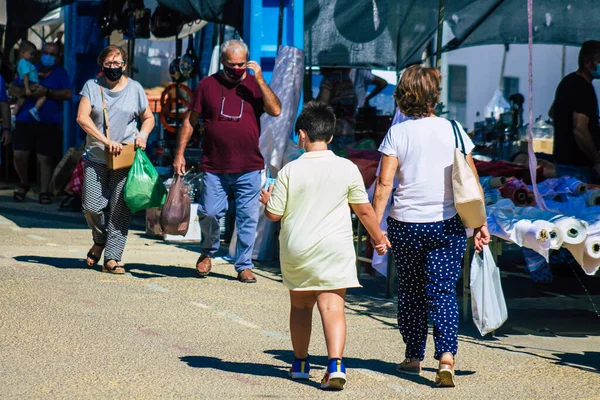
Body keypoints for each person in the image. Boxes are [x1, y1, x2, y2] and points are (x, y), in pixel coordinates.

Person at [372, 65, 490, 388]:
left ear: (403, 95)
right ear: (433, 95)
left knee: (410, 290)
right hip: (446, 226)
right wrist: (480, 223)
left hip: (405, 225)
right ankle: (447, 358)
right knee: (442, 291)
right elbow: (470, 179)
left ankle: (413, 357)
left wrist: (374, 227)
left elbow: (384, 184)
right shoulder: (453, 130)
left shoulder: (397, 133)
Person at [259, 101, 390, 391]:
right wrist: (379, 238)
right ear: (330, 136)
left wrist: (267, 201)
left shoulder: (289, 171)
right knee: (332, 307)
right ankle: (336, 366)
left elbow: (274, 215)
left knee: (301, 307)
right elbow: (364, 211)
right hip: (335, 248)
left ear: (301, 135)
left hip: (298, 250)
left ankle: (300, 364)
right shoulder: (348, 168)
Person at [173, 39, 281, 283]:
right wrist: (179, 154)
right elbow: (190, 121)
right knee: (209, 213)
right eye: (231, 65)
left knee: (247, 218)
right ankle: (207, 252)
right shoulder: (207, 85)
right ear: (222, 62)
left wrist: (260, 79)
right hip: (214, 166)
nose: (236, 69)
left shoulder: (255, 85)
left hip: (249, 166)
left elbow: (275, 110)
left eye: (241, 64)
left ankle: (244, 265)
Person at [76, 45, 155, 274]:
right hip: (97, 156)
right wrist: (104, 140)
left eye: (117, 63)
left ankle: (112, 258)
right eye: (109, 64)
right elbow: (82, 118)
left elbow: (148, 117)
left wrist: (143, 135)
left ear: (124, 65)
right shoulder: (92, 86)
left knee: (120, 208)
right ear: (102, 65)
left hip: (125, 157)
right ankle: (100, 239)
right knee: (91, 207)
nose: (113, 67)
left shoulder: (135, 89)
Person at [9, 42, 71, 204]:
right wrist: (26, 92)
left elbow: (68, 93)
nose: (48, 56)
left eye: (52, 54)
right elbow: (12, 88)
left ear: (58, 57)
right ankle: (24, 183)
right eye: (46, 52)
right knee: (19, 155)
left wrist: (48, 92)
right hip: (25, 119)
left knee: (45, 159)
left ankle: (44, 191)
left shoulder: (61, 73)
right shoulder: (29, 66)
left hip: (49, 122)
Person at [551, 40, 600, 183]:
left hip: (562, 162)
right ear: (588, 62)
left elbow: (553, 112)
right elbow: (580, 130)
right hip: (578, 167)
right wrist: (597, 160)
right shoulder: (583, 87)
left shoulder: (567, 81)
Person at [317, 67, 357, 153]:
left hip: (336, 129)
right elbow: (355, 100)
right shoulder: (346, 78)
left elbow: (323, 104)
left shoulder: (330, 79)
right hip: (349, 127)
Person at [12, 40, 46, 122]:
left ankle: (13, 115)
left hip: (28, 83)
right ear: (23, 52)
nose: (33, 56)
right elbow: (26, 77)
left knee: (21, 100)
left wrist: (38, 74)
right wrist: (27, 89)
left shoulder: (23, 63)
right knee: (43, 95)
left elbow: (30, 74)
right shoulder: (25, 64)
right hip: (31, 83)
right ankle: (35, 110)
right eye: (31, 54)